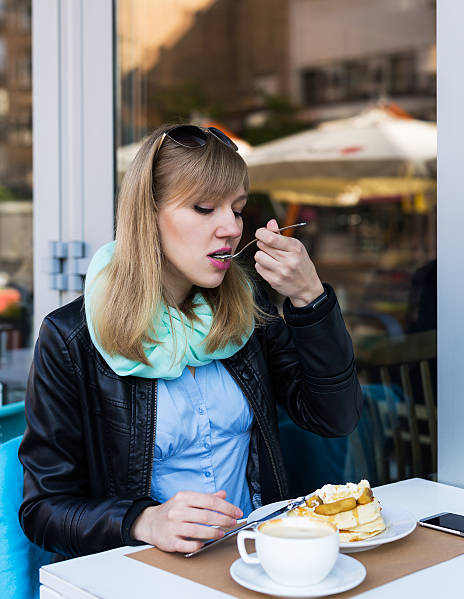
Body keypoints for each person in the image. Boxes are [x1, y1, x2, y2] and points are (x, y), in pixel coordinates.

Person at [19, 124, 362, 558]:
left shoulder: (248, 306)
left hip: (258, 560)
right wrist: (144, 520)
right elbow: (43, 509)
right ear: (148, 215)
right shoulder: (71, 338)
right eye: (204, 208)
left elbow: (336, 418)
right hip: (146, 575)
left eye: (237, 210)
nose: (231, 228)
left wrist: (309, 300)